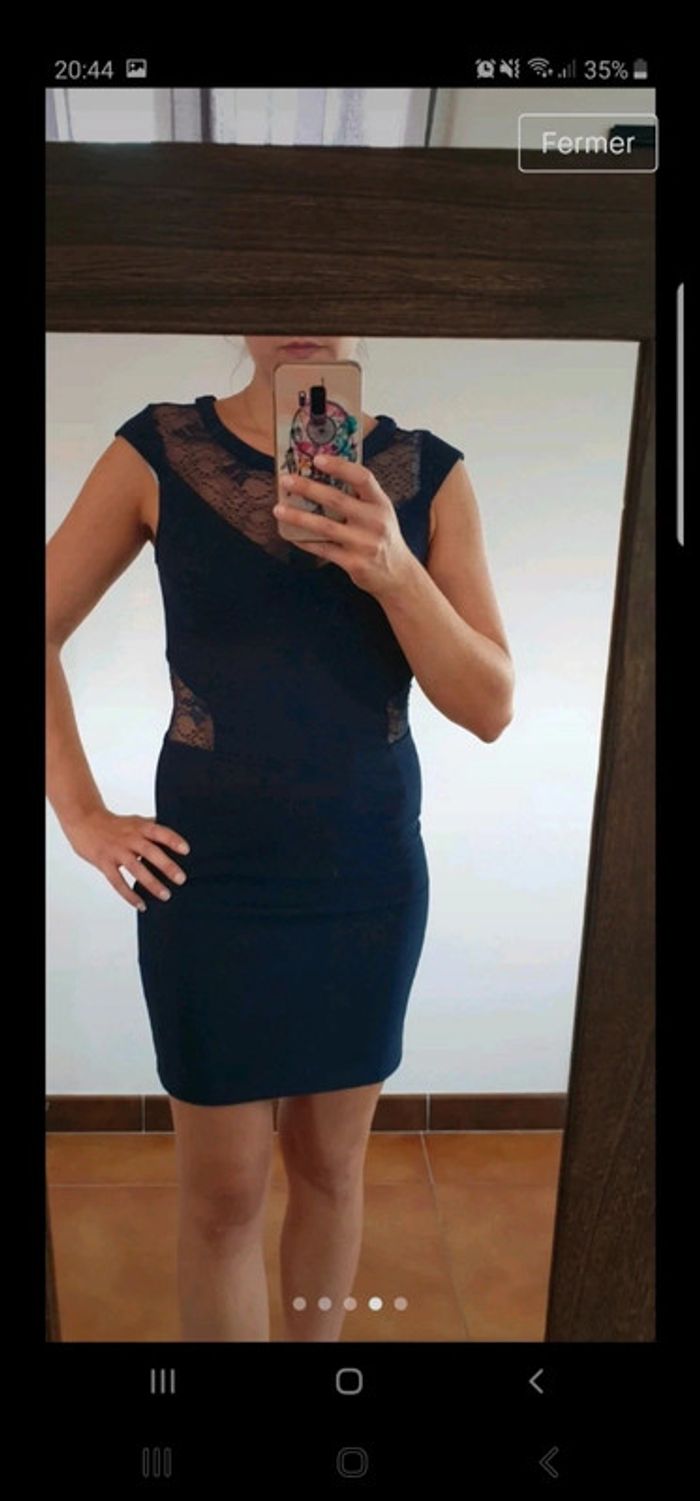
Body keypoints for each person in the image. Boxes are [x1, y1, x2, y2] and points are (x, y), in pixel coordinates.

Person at [46, 335, 515, 1343]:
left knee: (331, 1170)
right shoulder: (157, 451)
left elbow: (489, 705)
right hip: (208, 879)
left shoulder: (431, 474)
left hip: (364, 878)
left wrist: (394, 569)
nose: (302, 313)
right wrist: (80, 813)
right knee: (223, 1195)